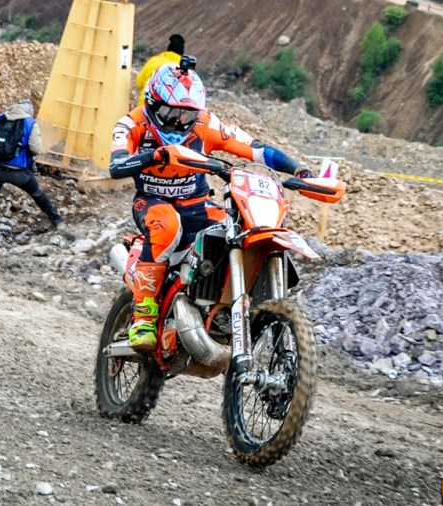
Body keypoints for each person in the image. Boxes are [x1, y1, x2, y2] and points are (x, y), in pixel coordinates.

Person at [109, 62, 312, 351]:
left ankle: (222, 306)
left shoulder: (206, 124)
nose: (179, 122)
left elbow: (255, 148)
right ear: (152, 103)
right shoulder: (133, 124)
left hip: (197, 203)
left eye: (187, 114)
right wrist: (154, 155)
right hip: (152, 202)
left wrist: (298, 168)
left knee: (240, 229)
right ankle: (144, 316)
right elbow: (116, 165)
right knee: (167, 224)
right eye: (171, 113)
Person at [0, 99, 62, 249]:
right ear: (29, 111)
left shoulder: (1, 118)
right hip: (17, 171)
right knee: (37, 193)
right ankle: (57, 221)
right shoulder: (30, 123)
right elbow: (36, 149)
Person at [135, 34, 186, 107]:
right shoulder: (182, 69)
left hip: (144, 106)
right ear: (181, 53)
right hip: (165, 112)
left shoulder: (153, 61)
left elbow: (139, 83)